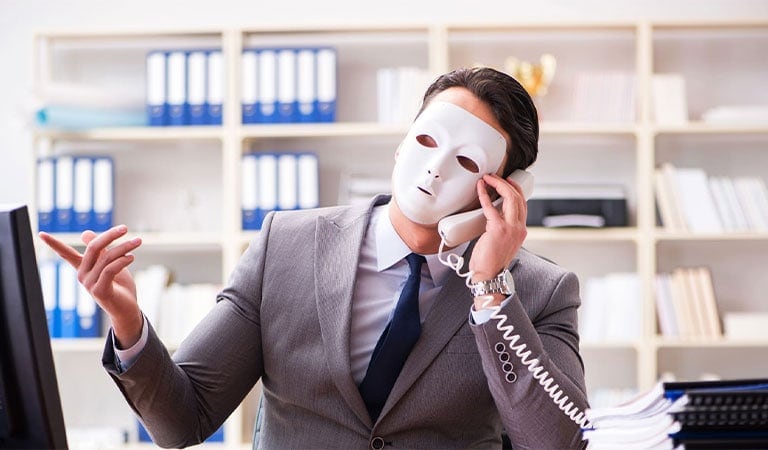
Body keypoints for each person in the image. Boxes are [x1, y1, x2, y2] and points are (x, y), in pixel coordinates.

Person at [40, 66, 589, 449]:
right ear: (401, 144)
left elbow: (556, 443)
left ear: (505, 190)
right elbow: (182, 421)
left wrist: (492, 291)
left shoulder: (540, 291)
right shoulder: (288, 246)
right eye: (426, 142)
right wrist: (128, 321)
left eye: (467, 160)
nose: (435, 169)